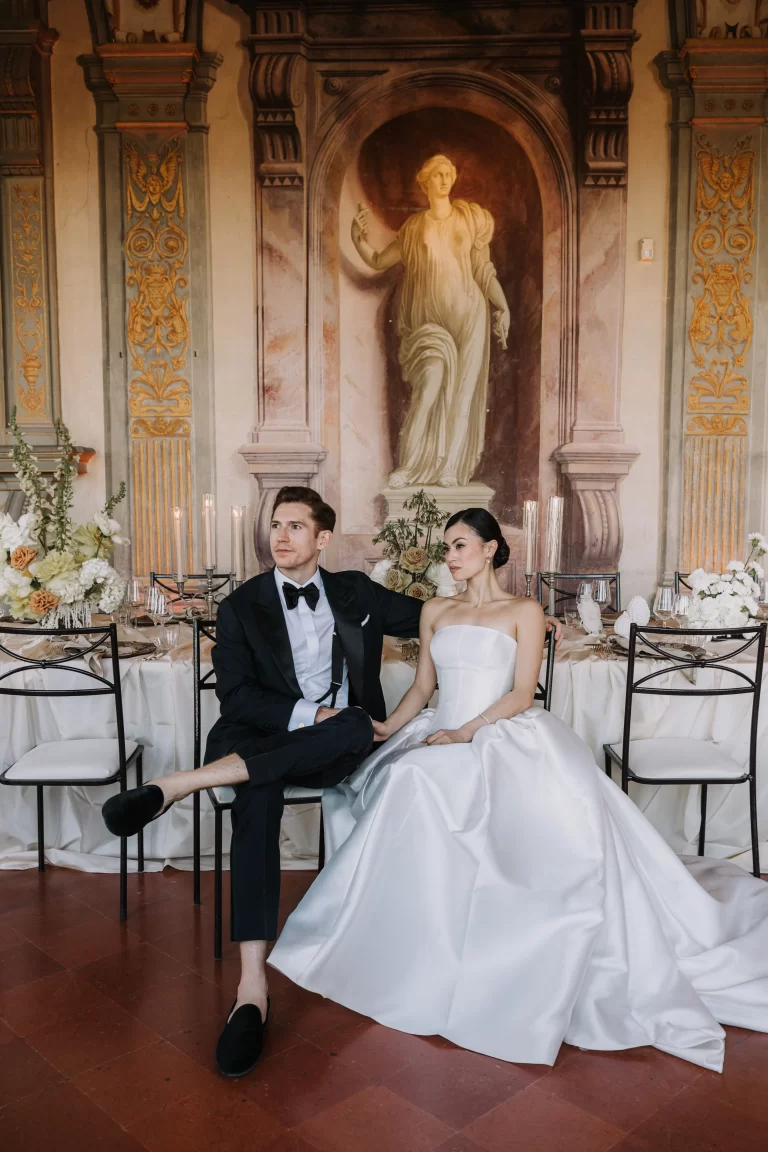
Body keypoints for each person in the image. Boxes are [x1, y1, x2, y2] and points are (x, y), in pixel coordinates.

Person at [269, 507, 768, 1074]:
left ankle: (492, 938)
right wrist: (388, 729)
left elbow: (522, 695)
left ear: (489, 548)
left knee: (441, 785)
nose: (450, 558)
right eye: (446, 548)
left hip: (498, 731)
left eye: (459, 546)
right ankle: (412, 941)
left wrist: (464, 732)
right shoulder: (436, 609)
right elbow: (423, 686)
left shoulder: (525, 611)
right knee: (406, 774)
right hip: (441, 726)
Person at [103, 489, 561, 1077]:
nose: (281, 536)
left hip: (336, 745)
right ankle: (251, 990)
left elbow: (447, 618)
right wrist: (307, 715)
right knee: (260, 792)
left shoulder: (356, 594)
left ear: (323, 539)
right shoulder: (242, 606)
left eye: (296, 526)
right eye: (275, 525)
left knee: (351, 726)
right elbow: (238, 696)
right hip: (258, 739)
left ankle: (180, 785)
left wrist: (528, 617)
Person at [351, 154, 510, 488]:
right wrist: (357, 240)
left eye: (448, 173)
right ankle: (409, 466)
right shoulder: (413, 228)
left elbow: (483, 270)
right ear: (424, 182)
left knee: (463, 394)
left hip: (470, 316)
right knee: (429, 384)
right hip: (428, 322)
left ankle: (450, 467)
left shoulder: (471, 219)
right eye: (437, 174)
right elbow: (379, 260)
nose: (444, 179)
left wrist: (503, 306)